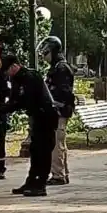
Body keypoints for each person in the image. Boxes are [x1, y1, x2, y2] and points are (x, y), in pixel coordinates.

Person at [0, 54, 59, 196]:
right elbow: (15, 100)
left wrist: (8, 107)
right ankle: (31, 180)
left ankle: (40, 184)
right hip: (36, 117)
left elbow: (25, 100)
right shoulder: (16, 79)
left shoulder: (31, 76)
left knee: (43, 151)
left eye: (7, 70)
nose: (7, 74)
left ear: (15, 66)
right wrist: (1, 109)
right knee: (35, 150)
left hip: (46, 116)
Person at [38, 36, 75, 185]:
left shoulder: (61, 68)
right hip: (59, 111)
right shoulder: (58, 67)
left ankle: (58, 175)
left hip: (60, 111)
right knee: (59, 143)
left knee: (56, 145)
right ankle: (62, 173)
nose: (44, 54)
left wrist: (53, 100)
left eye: (46, 51)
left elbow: (63, 92)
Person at [0, 59, 12, 180]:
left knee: (0, 139)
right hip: (0, 109)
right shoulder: (2, 76)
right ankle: (0, 169)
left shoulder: (2, 76)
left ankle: (0, 168)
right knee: (0, 140)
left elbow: (8, 91)